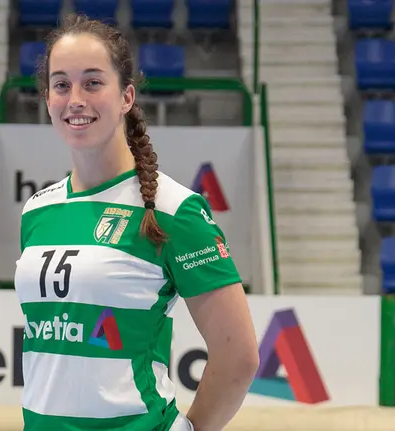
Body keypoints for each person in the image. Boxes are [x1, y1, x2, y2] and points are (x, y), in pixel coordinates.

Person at [13, 14, 260, 431]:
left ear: (126, 96)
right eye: (61, 84)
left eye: (92, 82)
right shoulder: (37, 210)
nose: (75, 98)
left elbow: (239, 355)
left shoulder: (173, 209)